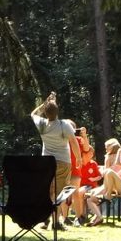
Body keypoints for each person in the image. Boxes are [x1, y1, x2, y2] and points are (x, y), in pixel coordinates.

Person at [31, 91, 81, 230]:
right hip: (63, 162)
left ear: (46, 113)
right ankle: (56, 223)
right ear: (57, 112)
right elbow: (73, 142)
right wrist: (78, 158)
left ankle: (46, 219)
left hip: (46, 163)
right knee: (59, 193)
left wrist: (45, 103)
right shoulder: (65, 125)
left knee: (48, 192)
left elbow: (33, 114)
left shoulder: (41, 124)